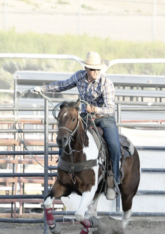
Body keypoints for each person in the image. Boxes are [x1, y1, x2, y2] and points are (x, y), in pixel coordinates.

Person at [30, 52, 121, 200]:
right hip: (85, 117)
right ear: (86, 69)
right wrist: (43, 89)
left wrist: (95, 109)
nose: (95, 72)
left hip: (104, 119)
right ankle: (64, 174)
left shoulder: (106, 83)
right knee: (66, 136)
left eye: (97, 69)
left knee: (115, 146)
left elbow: (110, 108)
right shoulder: (79, 77)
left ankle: (113, 180)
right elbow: (62, 85)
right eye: (92, 69)